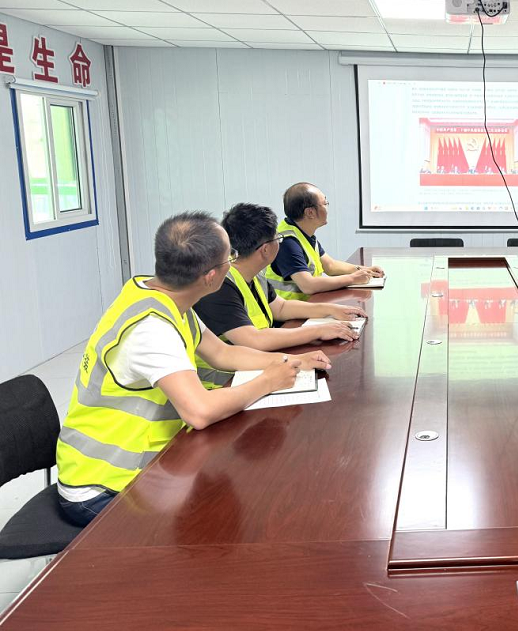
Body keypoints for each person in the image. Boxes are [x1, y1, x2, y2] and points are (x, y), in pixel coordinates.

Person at [55, 211, 331, 526]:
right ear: (211, 277)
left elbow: (222, 353)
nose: (234, 263)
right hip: (104, 486)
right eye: (230, 258)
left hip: (150, 464)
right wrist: (268, 381)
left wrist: (289, 362)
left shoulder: (164, 296)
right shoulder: (151, 327)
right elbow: (199, 412)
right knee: (226, 517)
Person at [195, 202, 367, 354]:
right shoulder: (220, 286)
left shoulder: (252, 273)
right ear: (265, 250)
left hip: (254, 361)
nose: (279, 242)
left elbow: (281, 308)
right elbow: (254, 340)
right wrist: (318, 331)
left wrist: (331, 310)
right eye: (277, 238)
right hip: (223, 376)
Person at [265, 182, 384, 300]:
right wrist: (352, 278)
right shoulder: (287, 242)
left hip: (309, 304)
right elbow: (308, 285)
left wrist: (364, 270)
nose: (327, 208)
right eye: (325, 203)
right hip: (290, 310)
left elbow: (330, 266)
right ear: (310, 212)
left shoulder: (302, 233)